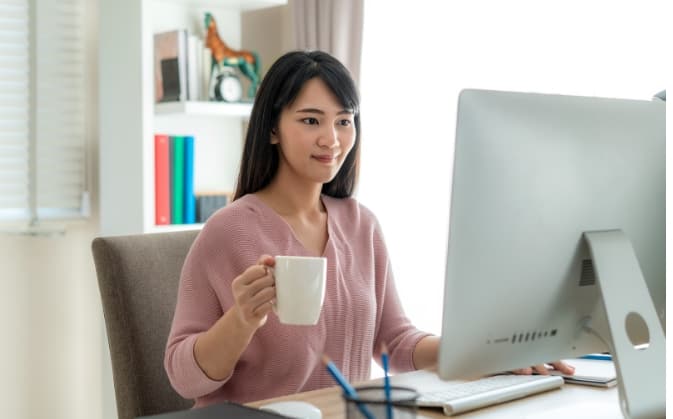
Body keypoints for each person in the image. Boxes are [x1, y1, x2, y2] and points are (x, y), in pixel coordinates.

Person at [164, 50, 573, 407]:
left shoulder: (361, 225)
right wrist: (241, 320)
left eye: (344, 121)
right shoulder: (227, 232)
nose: (332, 139)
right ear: (272, 129)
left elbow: (394, 344)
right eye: (311, 120)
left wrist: (481, 353)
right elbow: (184, 379)